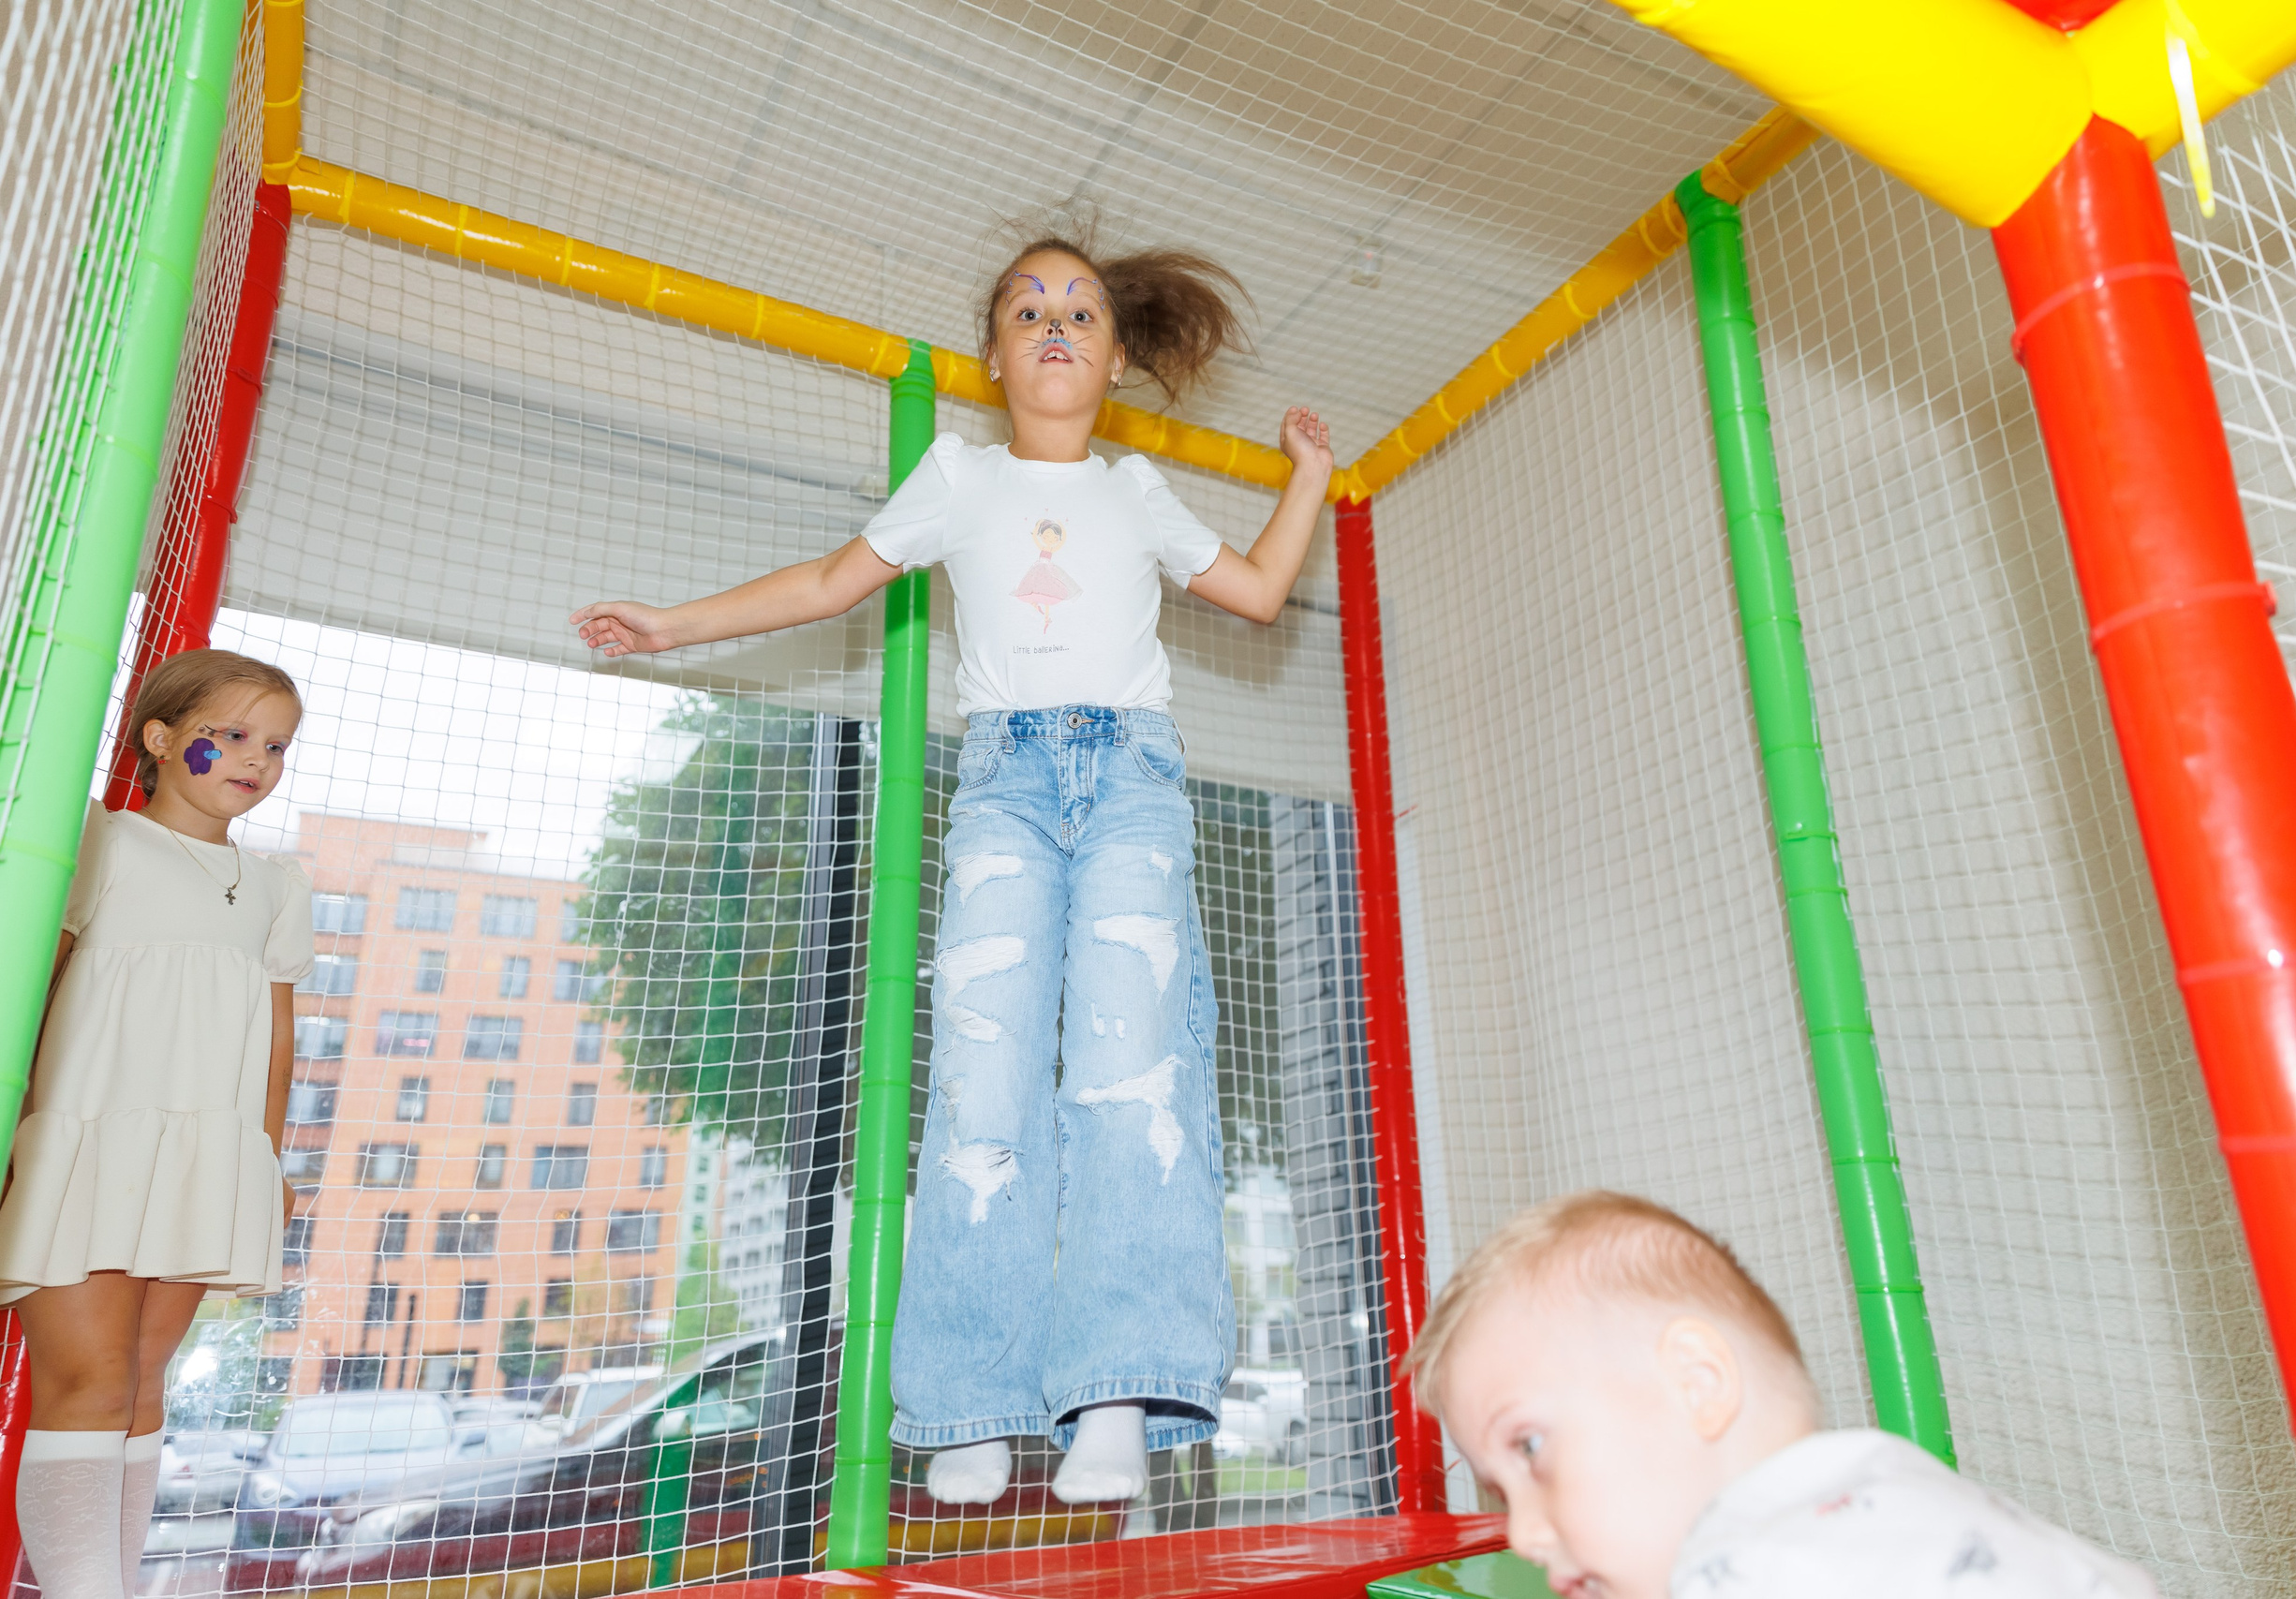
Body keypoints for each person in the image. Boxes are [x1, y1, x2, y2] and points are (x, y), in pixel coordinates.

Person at [571, 225, 1334, 1504]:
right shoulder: (959, 476)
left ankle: (1117, 1387)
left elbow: (1257, 592)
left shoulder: (1135, 487)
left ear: (1114, 360)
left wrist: (1309, 471)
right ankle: (974, 1393)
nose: (1055, 322)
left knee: (1129, 1068)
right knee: (982, 1077)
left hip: (1136, 777)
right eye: (1029, 306)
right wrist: (671, 622)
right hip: (1008, 785)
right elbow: (828, 580)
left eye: (1083, 312)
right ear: (992, 353)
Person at [1407, 1191, 2161, 1599]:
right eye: (1498, 1490)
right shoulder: (1895, 1487)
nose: (1521, 1535)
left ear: (1698, 1383)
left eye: (1531, 1447)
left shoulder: (1748, 1568)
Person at [0, 649, 311, 1599]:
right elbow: (32, 986)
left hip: (204, 1156)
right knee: (88, 1380)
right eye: (230, 736)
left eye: (277, 744)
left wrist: (264, 1161)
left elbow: (277, 1041)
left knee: (138, 1383)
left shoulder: (275, 885)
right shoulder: (97, 842)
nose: (256, 759)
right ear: (163, 739)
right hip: (86, 1141)